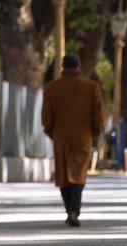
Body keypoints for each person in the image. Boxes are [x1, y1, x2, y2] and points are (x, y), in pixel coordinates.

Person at [41, 52, 105, 227]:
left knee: (63, 174)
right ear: (79, 66)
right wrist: (93, 132)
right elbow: (98, 116)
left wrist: (52, 132)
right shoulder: (91, 88)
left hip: (60, 136)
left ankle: (69, 209)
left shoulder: (51, 88)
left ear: (62, 66)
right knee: (78, 174)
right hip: (83, 136)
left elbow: (46, 117)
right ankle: (74, 211)